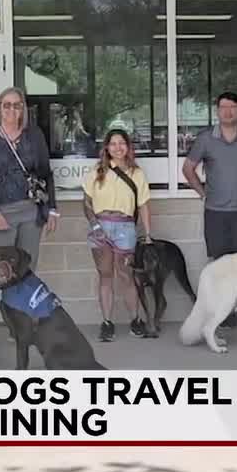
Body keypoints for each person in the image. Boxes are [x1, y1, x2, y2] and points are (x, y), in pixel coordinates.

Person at [182, 92, 237, 328]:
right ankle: (222, 309)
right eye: (223, 107)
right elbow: (188, 168)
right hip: (216, 211)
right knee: (219, 261)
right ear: (217, 110)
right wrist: (202, 192)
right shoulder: (206, 138)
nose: (228, 111)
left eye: (232, 107)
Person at [0, 87, 58, 321]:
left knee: (24, 272)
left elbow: (45, 173)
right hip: (2, 214)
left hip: (31, 213)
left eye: (17, 105)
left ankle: (18, 323)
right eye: (6, 104)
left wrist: (52, 208)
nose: (12, 109)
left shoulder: (34, 135)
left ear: (23, 109)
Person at [82, 129, 153, 342]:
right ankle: (107, 323)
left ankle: (135, 319)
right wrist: (94, 225)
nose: (117, 147)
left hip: (125, 228)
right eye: (113, 143)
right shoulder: (97, 171)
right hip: (100, 226)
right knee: (105, 276)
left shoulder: (136, 173)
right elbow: (86, 202)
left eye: (122, 143)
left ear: (128, 147)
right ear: (106, 147)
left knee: (126, 275)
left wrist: (148, 233)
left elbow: (144, 205)